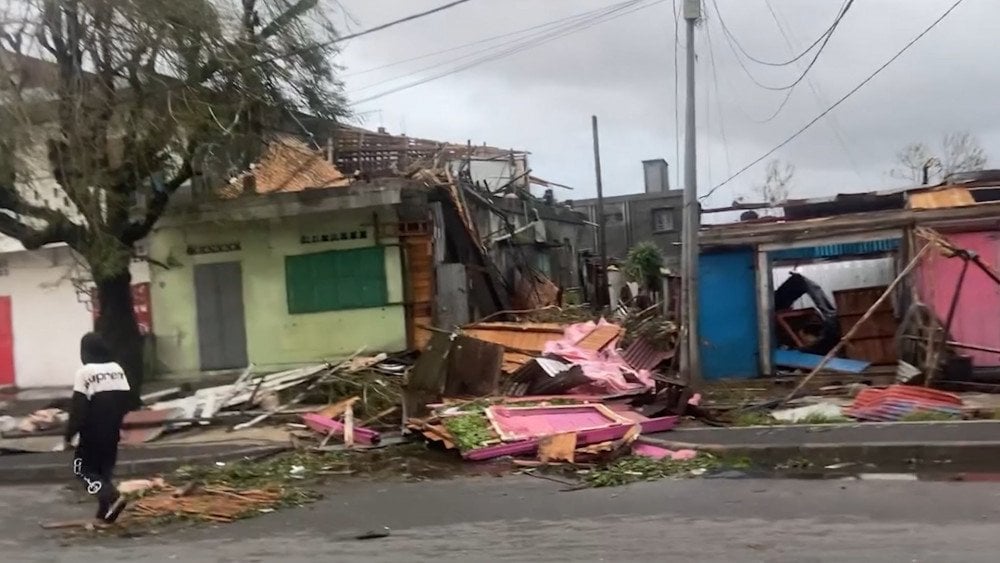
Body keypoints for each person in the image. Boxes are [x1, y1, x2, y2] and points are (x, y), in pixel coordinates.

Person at [64, 332, 131, 524]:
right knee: (104, 472)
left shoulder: (85, 373)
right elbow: (127, 401)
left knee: (82, 470)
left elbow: (79, 408)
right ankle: (105, 511)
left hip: (92, 432)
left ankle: (111, 496)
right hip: (113, 430)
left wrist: (69, 434)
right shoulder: (117, 369)